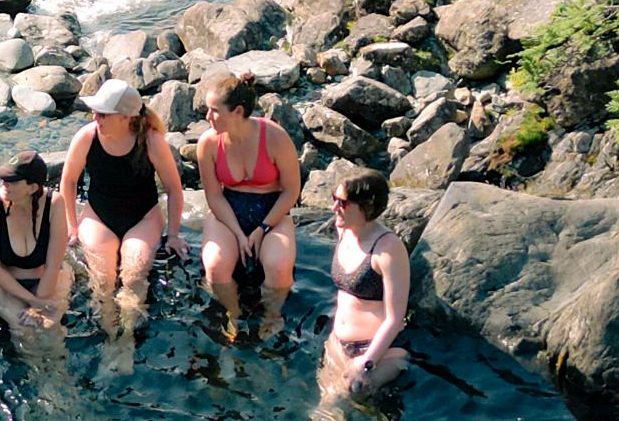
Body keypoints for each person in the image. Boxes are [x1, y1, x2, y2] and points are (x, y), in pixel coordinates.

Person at [59, 80, 187, 324]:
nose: (96, 117)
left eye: (103, 113)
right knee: (102, 279)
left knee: (133, 276)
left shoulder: (150, 140)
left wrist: (173, 234)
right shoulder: (87, 137)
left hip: (143, 217)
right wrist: (71, 226)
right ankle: (109, 332)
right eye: (95, 112)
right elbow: (68, 181)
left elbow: (173, 188)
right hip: (99, 215)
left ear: (125, 117)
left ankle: (127, 336)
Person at [196, 68, 301, 320]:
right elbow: (214, 196)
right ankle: (233, 314)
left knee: (278, 267)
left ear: (238, 112)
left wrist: (262, 228)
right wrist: (237, 233)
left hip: (271, 212)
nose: (208, 116)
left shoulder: (275, 137)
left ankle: (271, 316)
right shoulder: (208, 143)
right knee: (215, 266)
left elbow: (291, 191)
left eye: (214, 110)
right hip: (228, 211)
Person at [321, 166, 411, 397]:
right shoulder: (344, 231)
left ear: (368, 206)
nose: (334, 209)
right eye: (334, 199)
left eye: (342, 203)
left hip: (380, 350)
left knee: (344, 399)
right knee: (327, 406)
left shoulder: (388, 249)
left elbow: (395, 317)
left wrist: (366, 363)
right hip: (339, 343)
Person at [0, 150, 73, 331]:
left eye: (12, 181)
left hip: (44, 277)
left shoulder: (54, 203)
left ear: (32, 188)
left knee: (51, 326)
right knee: (24, 327)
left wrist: (39, 304)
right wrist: (33, 302)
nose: (4, 184)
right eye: (3, 179)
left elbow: (53, 266)